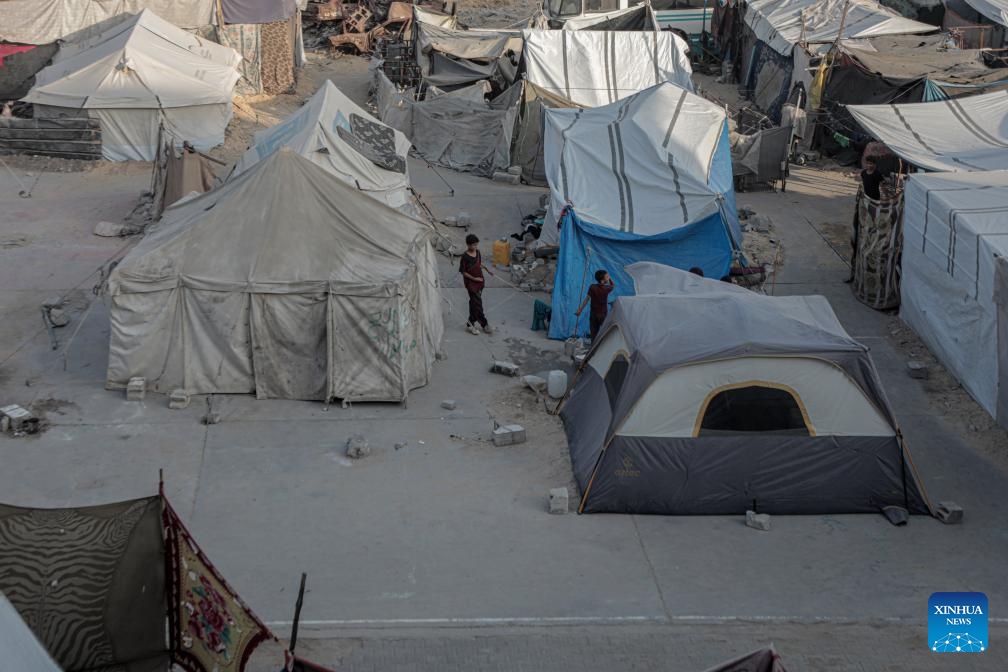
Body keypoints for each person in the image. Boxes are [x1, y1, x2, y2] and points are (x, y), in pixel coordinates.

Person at [459, 234, 493, 335]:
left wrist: (487, 270)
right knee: (478, 304)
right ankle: (484, 324)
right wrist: (474, 278)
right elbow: (463, 271)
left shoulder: (478, 253)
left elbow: (478, 264)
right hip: (471, 283)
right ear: (468, 245)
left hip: (480, 282)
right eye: (473, 245)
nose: (475, 247)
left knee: (474, 303)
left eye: (476, 245)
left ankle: (470, 324)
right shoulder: (464, 257)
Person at [575, 269, 614, 341]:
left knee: (593, 333)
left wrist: (580, 309)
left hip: (593, 314)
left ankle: (593, 349)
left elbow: (587, 299)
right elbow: (612, 285)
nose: (608, 277)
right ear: (602, 280)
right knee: (604, 332)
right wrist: (610, 280)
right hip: (602, 314)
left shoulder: (592, 287)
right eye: (607, 276)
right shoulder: (607, 288)